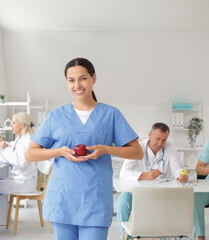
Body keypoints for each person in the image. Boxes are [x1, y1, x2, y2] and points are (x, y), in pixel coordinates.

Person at [25, 57, 143, 240]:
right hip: (62, 199)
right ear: (67, 83)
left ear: (93, 78)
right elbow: (30, 154)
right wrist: (59, 151)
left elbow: (137, 152)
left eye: (83, 78)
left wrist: (105, 149)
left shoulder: (111, 114)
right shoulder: (56, 116)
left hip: (94, 200)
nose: (77, 85)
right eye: (71, 80)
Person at [116, 122, 189, 240]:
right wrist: (145, 175)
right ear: (150, 135)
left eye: (164, 140)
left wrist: (180, 175)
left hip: (159, 192)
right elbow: (124, 173)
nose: (160, 143)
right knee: (122, 204)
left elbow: (177, 168)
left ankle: (164, 236)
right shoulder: (137, 147)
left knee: (168, 208)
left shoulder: (170, 147)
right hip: (135, 192)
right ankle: (125, 235)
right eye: (158, 139)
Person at [0, 112, 37, 195]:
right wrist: (2, 145)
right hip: (19, 180)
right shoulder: (20, 139)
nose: (11, 125)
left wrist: (5, 148)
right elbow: (11, 151)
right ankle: (1, 208)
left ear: (22, 125)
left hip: (24, 183)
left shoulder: (27, 140)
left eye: (13, 123)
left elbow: (20, 163)